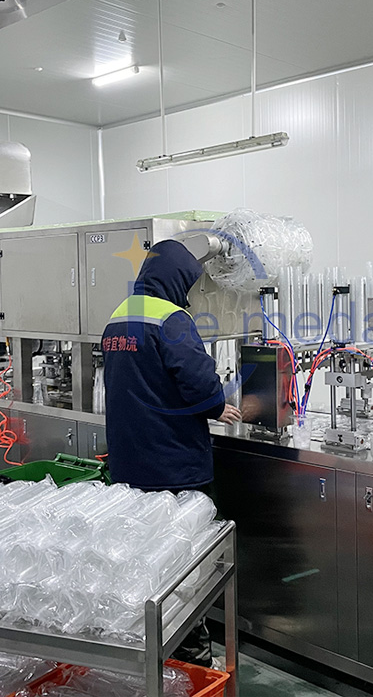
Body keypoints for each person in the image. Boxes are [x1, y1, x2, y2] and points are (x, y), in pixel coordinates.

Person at [102, 239, 241, 667]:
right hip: (175, 465)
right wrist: (217, 405)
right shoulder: (171, 318)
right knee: (185, 564)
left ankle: (146, 647)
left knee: (145, 561)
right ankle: (192, 657)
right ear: (177, 278)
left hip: (129, 463)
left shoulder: (118, 317)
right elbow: (197, 381)